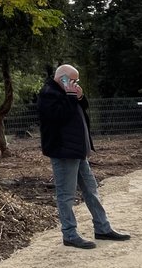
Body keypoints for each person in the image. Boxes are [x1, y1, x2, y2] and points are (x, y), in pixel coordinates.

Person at [36, 64, 131, 249]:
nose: (75, 83)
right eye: (72, 80)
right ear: (62, 78)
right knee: (66, 195)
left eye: (76, 80)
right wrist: (72, 97)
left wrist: (80, 98)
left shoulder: (67, 93)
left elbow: (78, 111)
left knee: (91, 190)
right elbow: (58, 117)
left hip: (78, 152)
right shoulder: (48, 94)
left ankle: (102, 228)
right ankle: (69, 234)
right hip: (63, 153)